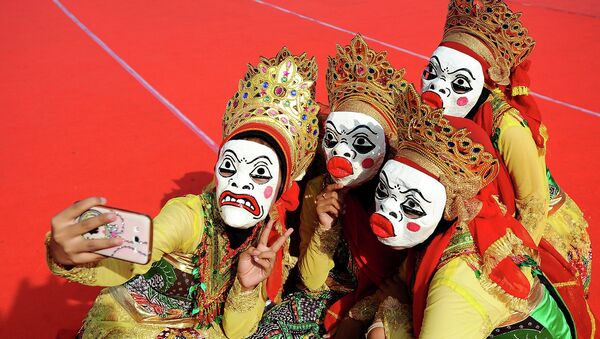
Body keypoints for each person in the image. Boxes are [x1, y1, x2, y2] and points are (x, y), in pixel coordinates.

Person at [45, 47, 320, 338]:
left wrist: (246, 286)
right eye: (229, 167)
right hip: (137, 325)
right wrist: (66, 254)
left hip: (199, 329)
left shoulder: (268, 234)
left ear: (280, 188)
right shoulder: (187, 216)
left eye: (260, 173)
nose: (239, 183)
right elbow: (140, 252)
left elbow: (237, 331)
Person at [366, 84, 594, 338]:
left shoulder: (456, 281)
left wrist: (386, 316)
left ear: (453, 205)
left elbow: (535, 199)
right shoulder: (454, 230)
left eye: (410, 205)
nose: (386, 211)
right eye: (384, 192)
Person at [420, 0, 592, 293]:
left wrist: (518, 263)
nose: (436, 88)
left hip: (535, 233)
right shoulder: (443, 116)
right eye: (431, 72)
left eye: (458, 82)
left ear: (485, 83)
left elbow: (534, 203)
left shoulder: (507, 127)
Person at [249, 34, 407, 338]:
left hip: (387, 300)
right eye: (333, 140)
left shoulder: (400, 196)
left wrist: (358, 316)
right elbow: (310, 282)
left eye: (359, 142)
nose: (341, 154)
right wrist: (326, 226)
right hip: (324, 299)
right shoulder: (320, 188)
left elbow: (400, 279)